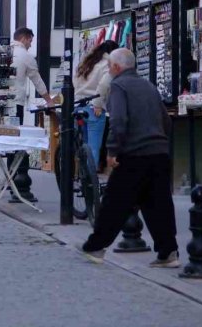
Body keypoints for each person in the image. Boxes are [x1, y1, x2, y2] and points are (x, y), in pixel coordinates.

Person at [79, 48, 179, 268]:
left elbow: (119, 121)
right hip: (158, 152)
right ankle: (168, 252)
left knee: (114, 202)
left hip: (134, 153)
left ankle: (95, 247)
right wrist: (161, 142)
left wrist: (113, 151)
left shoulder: (118, 86)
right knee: (158, 204)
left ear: (116, 67)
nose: (108, 70)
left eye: (109, 67)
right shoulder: (149, 86)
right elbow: (166, 120)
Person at [0, 27, 55, 185]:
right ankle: (11, 174)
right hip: (14, 103)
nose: (31, 44)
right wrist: (49, 100)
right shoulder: (26, 56)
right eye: (30, 40)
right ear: (24, 38)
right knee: (12, 137)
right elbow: (37, 81)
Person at [74, 40, 119, 168]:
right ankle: (90, 177)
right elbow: (104, 84)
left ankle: (83, 173)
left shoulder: (87, 62)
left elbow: (75, 81)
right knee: (94, 147)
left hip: (79, 106)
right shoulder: (107, 64)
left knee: (83, 145)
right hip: (94, 109)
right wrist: (97, 104)